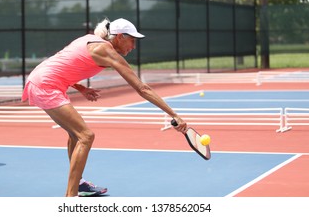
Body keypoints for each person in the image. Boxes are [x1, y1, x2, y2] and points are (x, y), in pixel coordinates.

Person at [21, 18, 187, 197]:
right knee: (86, 136)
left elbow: (61, 64)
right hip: (46, 85)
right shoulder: (105, 50)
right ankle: (70, 197)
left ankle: (79, 184)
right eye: (132, 40)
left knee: (76, 135)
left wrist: (81, 88)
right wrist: (173, 114)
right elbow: (142, 88)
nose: (133, 46)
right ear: (120, 37)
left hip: (40, 78)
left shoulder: (88, 39)